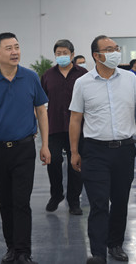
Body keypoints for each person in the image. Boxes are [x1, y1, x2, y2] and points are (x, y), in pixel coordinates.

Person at [69, 35, 136, 264]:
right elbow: (76, 119)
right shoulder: (83, 83)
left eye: (116, 48)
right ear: (96, 55)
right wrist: (75, 151)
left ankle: (115, 244)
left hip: (124, 150)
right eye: (109, 49)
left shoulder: (129, 79)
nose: (115, 52)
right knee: (98, 203)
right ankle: (98, 253)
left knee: (120, 201)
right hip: (95, 151)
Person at [0, 32, 51, 264]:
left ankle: (24, 251)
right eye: (8, 48)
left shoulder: (30, 77)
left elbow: (41, 111)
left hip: (24, 149)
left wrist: (45, 145)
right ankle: (11, 248)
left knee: (21, 202)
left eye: (16, 47)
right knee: (5, 202)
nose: (15, 52)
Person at [40, 39, 87, 215]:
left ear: (72, 54)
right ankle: (56, 194)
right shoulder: (48, 75)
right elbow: (40, 102)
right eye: (58, 53)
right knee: (53, 160)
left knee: (76, 164)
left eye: (65, 53)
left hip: (78, 127)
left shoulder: (83, 74)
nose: (61, 56)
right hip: (54, 126)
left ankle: (74, 201)